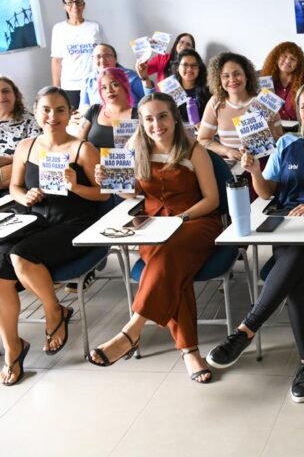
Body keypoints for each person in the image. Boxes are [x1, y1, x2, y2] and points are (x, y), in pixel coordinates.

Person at [206, 82, 304, 404]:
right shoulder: (286, 144)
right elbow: (267, 192)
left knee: (297, 257)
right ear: (298, 112)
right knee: (296, 271)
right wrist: (254, 171)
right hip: (289, 229)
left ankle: (246, 331)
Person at [86, 92, 222, 383]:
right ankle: (189, 351)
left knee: (170, 254)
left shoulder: (193, 149)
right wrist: (110, 181)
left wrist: (180, 219)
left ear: (175, 118)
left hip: (195, 222)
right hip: (153, 227)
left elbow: (211, 200)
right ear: (141, 122)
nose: (156, 124)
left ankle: (132, 330)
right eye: (148, 119)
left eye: (162, 116)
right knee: (173, 270)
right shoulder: (135, 148)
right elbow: (132, 194)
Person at [0, 87, 108, 385]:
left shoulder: (82, 149)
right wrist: (25, 196)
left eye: (60, 109)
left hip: (75, 222)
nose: (53, 116)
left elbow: (104, 194)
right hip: (36, 219)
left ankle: (54, 311)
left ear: (69, 113)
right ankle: (13, 347)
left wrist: (76, 186)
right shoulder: (26, 147)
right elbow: (15, 187)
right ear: (36, 112)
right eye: (46, 110)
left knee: (20, 256)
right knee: (0, 263)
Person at [198, 52, 282, 163]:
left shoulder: (265, 102)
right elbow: (202, 140)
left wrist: (272, 133)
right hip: (231, 167)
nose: (232, 79)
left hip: (264, 164)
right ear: (219, 80)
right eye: (226, 76)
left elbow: (282, 142)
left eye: (237, 74)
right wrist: (227, 151)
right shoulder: (215, 102)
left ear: (247, 76)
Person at [50, 0, 103, 108]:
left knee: (97, 116)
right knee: (74, 118)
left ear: (83, 4)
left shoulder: (95, 27)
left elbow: (104, 53)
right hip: (70, 86)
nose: (74, 6)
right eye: (70, 2)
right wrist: (56, 88)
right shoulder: (59, 29)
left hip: (94, 83)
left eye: (78, 2)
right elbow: (56, 60)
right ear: (64, 6)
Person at [77, 67, 138, 149]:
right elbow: (78, 143)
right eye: (104, 88)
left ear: (125, 86)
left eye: (115, 85)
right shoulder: (94, 110)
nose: (109, 90)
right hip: (92, 157)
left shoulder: (138, 115)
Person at [0, 76, 39, 192]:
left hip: (18, 176)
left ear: (15, 94)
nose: (2, 96)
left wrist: (6, 159)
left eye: (5, 91)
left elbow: (37, 153)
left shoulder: (32, 120)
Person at [78, 44, 145, 111]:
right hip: (99, 117)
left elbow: (147, 99)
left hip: (129, 116)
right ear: (93, 59)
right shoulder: (88, 80)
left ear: (115, 59)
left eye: (107, 56)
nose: (102, 60)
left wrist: (145, 79)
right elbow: (84, 106)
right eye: (98, 56)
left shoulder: (132, 76)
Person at [261, 41, 304, 121]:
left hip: (299, 126)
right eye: (284, 56)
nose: (287, 61)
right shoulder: (265, 79)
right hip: (273, 126)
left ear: (298, 64)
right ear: (277, 57)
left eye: (292, 59)